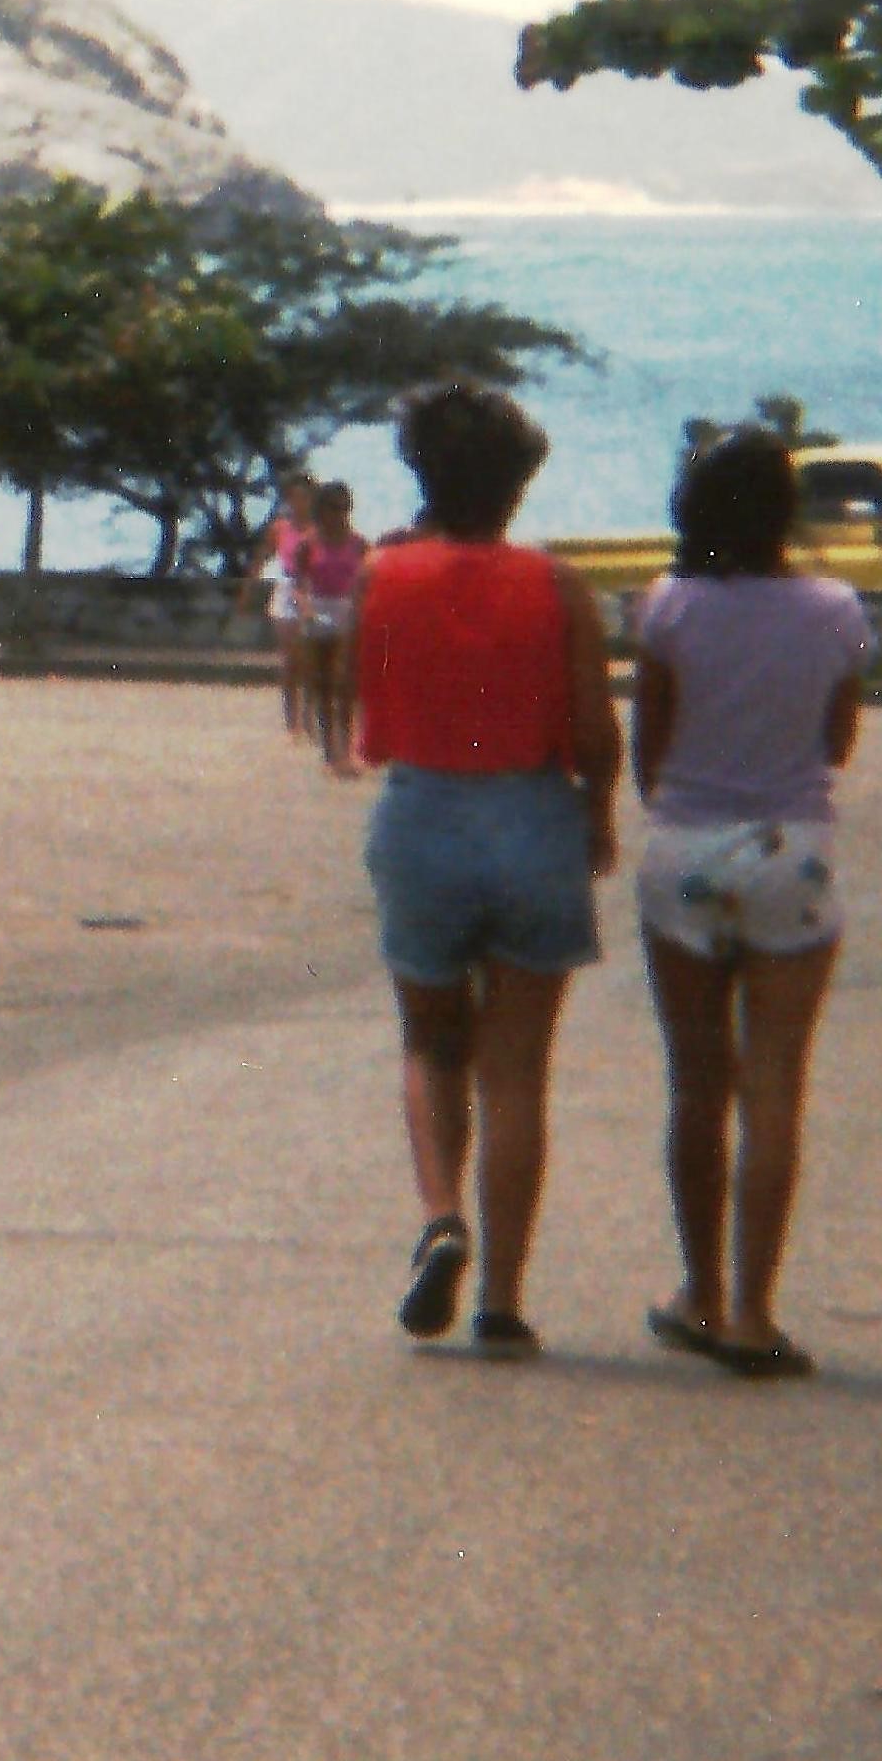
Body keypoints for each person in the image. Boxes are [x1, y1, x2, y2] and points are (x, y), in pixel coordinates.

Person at [350, 382, 619, 1355]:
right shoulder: (556, 586)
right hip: (530, 814)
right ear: (515, 486)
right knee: (515, 1070)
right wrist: (594, 815)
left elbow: (359, 703)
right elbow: (594, 729)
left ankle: (438, 1215)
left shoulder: (383, 573)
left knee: (429, 1039)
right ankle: (503, 1300)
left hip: (423, 809)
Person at [626, 427, 869, 1378]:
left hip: (685, 844)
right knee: (774, 1088)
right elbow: (835, 743)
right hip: (789, 852)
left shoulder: (668, 607)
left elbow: (648, 745)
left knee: (696, 1084)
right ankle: (754, 1310)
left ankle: (698, 1289)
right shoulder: (835, 610)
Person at [264, 474, 372, 777]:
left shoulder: (359, 543)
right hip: (317, 611)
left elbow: (368, 580)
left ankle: (348, 750)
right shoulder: (308, 545)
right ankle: (330, 753)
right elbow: (297, 583)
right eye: (333, 508)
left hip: (347, 610)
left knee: (347, 685)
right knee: (323, 685)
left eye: (343, 508)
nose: (338, 515)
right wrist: (306, 608)